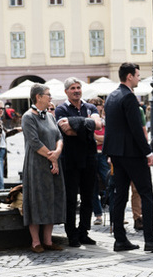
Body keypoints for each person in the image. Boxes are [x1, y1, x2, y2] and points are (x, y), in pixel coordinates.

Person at [104, 63, 153, 253]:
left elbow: (111, 128)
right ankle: (150, 240)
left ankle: (119, 239)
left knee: (120, 196)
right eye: (137, 75)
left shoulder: (111, 96)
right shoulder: (128, 97)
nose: (138, 78)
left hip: (117, 154)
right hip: (133, 154)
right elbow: (136, 129)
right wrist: (148, 152)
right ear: (129, 76)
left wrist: (110, 153)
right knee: (146, 194)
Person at [55, 78, 102, 248]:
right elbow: (66, 131)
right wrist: (87, 127)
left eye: (79, 87)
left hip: (89, 157)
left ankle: (84, 232)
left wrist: (77, 124)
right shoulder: (61, 108)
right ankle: (71, 233)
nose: (76, 90)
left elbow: (98, 124)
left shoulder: (90, 107)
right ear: (66, 91)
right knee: (71, 198)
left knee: (89, 196)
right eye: (73, 88)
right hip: (70, 158)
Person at [22, 84, 66, 253]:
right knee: (36, 200)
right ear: (38, 97)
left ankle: (48, 240)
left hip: (52, 162)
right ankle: (35, 242)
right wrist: (52, 157)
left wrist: (57, 153)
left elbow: (59, 136)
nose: (50, 98)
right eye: (48, 95)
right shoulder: (28, 117)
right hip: (36, 165)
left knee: (51, 198)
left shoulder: (50, 116)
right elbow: (34, 142)